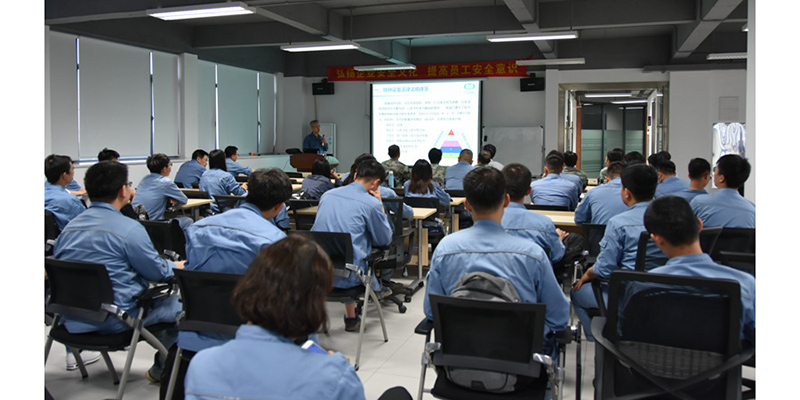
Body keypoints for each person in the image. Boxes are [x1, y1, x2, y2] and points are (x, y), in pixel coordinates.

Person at [184, 235, 366, 400]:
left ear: (248, 286)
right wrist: (335, 372)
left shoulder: (201, 366)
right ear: (314, 304)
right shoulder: (333, 378)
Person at [54, 161, 184, 382]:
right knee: (180, 306)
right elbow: (158, 273)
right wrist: (177, 265)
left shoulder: (68, 230)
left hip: (71, 319)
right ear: (123, 191)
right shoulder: (129, 229)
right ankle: (164, 371)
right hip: (115, 319)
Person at [424, 167, 569, 359]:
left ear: (467, 205)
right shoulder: (533, 255)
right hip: (520, 364)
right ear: (506, 201)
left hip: (460, 362)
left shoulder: (445, 249)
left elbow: (431, 311)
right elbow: (558, 318)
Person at [181, 168, 292, 352]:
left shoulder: (197, 228)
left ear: (248, 190)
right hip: (252, 338)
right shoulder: (274, 241)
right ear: (279, 206)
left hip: (197, 334)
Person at [571, 163, 667, 341]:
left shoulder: (619, 223)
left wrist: (588, 273)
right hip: (664, 296)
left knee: (576, 293)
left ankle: (597, 340)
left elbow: (605, 269)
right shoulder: (668, 220)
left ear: (627, 192)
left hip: (626, 297)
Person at [644, 196, 755, 345]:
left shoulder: (643, 285)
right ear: (700, 225)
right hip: (725, 360)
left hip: (657, 359)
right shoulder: (745, 285)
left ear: (656, 239)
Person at [311, 158, 393, 332]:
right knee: (355, 252)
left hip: (318, 272)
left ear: (355, 175)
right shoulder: (371, 203)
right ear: (376, 183)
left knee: (345, 247)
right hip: (351, 277)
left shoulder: (327, 196)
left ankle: (351, 317)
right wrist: (380, 205)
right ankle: (353, 316)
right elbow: (384, 240)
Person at [500, 163, 566, 265]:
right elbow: (556, 255)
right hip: (533, 274)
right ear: (529, 191)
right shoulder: (544, 224)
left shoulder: (489, 222)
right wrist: (559, 239)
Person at [690, 154, 754, 228]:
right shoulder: (753, 211)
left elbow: (684, 230)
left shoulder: (699, 203)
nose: (714, 175)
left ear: (721, 178)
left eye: (715, 170)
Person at [132, 153, 192, 230]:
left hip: (137, 224)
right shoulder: (166, 182)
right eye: (170, 164)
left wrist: (167, 199)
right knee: (188, 221)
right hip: (154, 225)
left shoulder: (144, 180)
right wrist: (171, 200)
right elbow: (184, 200)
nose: (171, 167)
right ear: (164, 169)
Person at [45, 154, 86, 231]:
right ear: (64, 175)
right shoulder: (71, 201)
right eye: (72, 169)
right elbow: (87, 224)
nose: (73, 172)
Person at [200, 149, 248, 214]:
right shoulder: (226, 176)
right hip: (223, 209)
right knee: (246, 195)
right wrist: (244, 188)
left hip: (207, 210)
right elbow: (239, 193)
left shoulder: (204, 175)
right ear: (223, 160)